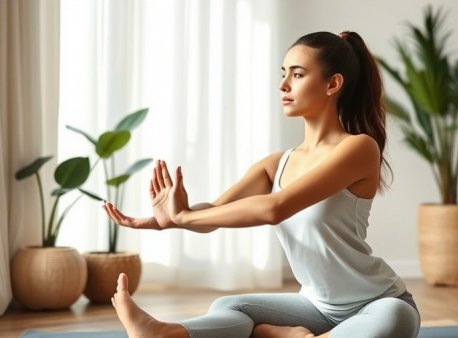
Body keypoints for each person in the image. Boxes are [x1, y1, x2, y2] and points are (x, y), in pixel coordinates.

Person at [103, 31, 421, 338]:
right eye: (283, 74)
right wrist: (171, 220)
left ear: (332, 84)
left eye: (297, 75)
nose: (283, 85)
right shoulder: (276, 164)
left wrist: (184, 217)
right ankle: (165, 333)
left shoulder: (359, 148)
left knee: (394, 317)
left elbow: (274, 209)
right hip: (315, 306)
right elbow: (214, 213)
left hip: (375, 302)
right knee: (229, 306)